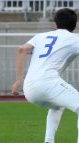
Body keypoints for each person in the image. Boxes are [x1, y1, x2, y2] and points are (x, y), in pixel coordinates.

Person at [12, 8, 79, 143]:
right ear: (75, 25)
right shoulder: (74, 39)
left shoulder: (40, 36)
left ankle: (48, 141)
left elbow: (21, 50)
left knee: (57, 105)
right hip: (48, 83)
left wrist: (19, 80)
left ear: (55, 23)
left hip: (29, 89)